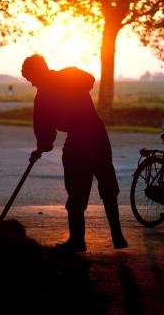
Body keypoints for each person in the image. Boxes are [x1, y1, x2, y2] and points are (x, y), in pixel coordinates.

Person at [21, 54, 128, 252]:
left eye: (31, 78)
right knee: (107, 185)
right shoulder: (70, 75)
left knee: (77, 192)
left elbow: (45, 136)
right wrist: (41, 146)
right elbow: (90, 80)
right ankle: (117, 235)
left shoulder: (44, 98)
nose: (32, 83)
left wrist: (41, 147)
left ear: (38, 72)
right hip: (96, 136)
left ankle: (78, 240)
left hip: (80, 141)